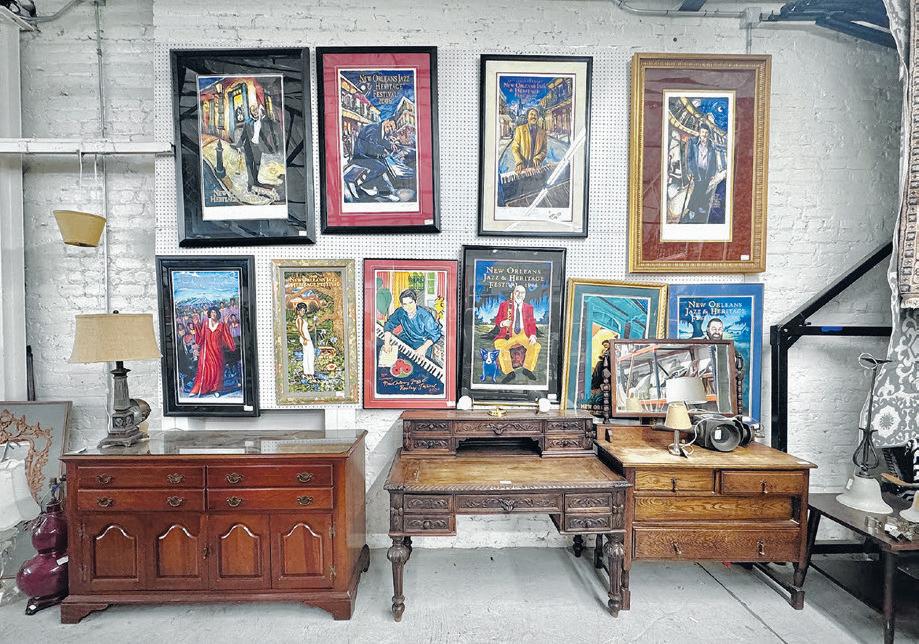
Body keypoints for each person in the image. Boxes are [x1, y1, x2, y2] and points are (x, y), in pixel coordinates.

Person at [492, 284, 541, 383]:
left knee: (536, 346)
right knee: (500, 345)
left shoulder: (529, 308)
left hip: (523, 333)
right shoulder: (504, 305)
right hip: (508, 333)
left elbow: (532, 323)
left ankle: (527, 369)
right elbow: (497, 319)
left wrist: (532, 335)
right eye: (517, 292)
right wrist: (503, 323)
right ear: (513, 293)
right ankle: (509, 372)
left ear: (525, 295)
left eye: (522, 292)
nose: (519, 294)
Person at [383, 289, 442, 362]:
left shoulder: (425, 316)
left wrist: (423, 348)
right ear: (402, 305)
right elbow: (389, 324)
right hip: (406, 338)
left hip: (422, 342)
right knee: (393, 359)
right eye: (405, 304)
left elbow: (435, 334)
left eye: (410, 303)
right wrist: (386, 343)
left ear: (415, 302)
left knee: (418, 364)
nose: (409, 307)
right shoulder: (400, 312)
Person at [189, 307, 235, 397]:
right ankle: (198, 388)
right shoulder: (206, 323)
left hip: (217, 351)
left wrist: (226, 324)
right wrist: (197, 324)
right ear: (209, 314)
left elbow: (226, 336)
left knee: (216, 369)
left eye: (215, 312)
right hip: (206, 351)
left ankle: (216, 389)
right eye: (212, 312)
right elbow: (201, 336)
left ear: (218, 314)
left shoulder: (221, 324)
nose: (213, 314)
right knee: (204, 370)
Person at [350, 118, 400, 201]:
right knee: (381, 167)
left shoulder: (380, 129)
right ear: (386, 121)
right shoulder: (373, 128)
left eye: (391, 129)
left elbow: (381, 141)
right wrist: (382, 149)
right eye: (390, 126)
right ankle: (365, 186)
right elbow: (370, 145)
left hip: (368, 155)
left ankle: (385, 192)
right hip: (361, 156)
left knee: (382, 165)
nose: (390, 129)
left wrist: (390, 145)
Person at [683, 122, 724, 223]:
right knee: (697, 189)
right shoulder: (692, 141)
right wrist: (689, 171)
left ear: (708, 134)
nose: (704, 135)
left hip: (707, 171)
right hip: (696, 170)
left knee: (703, 188)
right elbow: (688, 157)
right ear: (699, 132)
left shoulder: (711, 144)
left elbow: (713, 159)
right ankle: (692, 209)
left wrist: (713, 173)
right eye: (702, 132)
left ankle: (699, 206)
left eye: (706, 133)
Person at [232, 104, 277, 193]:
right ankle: (250, 184)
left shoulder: (263, 121)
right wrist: (238, 146)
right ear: (251, 112)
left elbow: (269, 127)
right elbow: (243, 135)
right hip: (248, 147)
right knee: (249, 165)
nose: (255, 112)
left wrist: (264, 115)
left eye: (256, 110)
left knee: (257, 164)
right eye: (253, 111)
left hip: (258, 147)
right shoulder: (247, 122)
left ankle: (255, 181)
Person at [511, 108, 547, 174]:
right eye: (531, 114)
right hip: (522, 167)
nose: (533, 116)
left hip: (536, 168)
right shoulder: (520, 129)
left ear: (537, 117)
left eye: (535, 115)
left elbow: (544, 149)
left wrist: (538, 158)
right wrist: (519, 162)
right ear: (527, 117)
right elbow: (514, 148)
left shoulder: (542, 132)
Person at [295, 302, 315, 377]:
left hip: (306, 337)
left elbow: (306, 330)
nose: (303, 312)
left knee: (307, 355)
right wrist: (305, 339)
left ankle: (307, 372)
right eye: (302, 311)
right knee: (310, 355)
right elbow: (300, 330)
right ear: (298, 310)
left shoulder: (301, 319)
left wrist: (314, 325)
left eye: (304, 311)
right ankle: (310, 373)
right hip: (305, 338)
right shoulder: (299, 319)